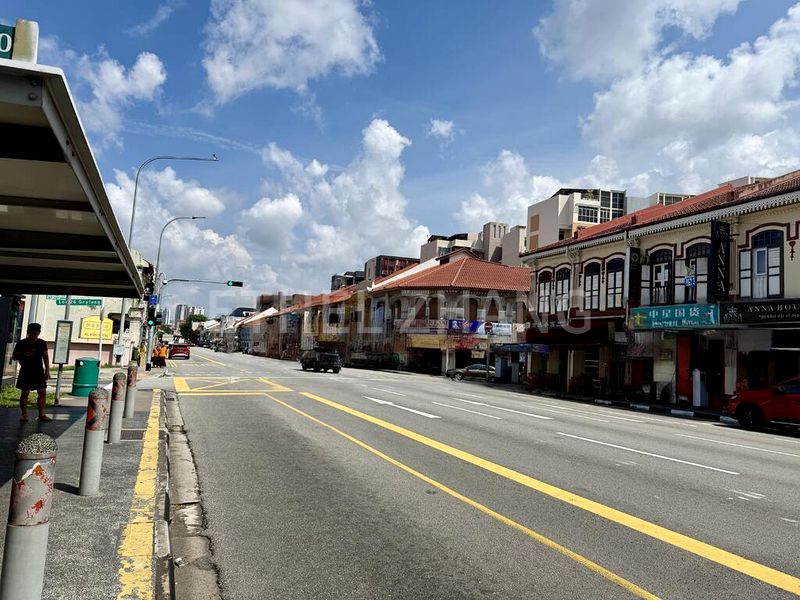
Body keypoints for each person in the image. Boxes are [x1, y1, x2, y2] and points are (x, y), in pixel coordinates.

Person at [12, 323, 52, 422]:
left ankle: (42, 414)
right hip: (26, 370)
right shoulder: (22, 343)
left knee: (42, 391)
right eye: (32, 334)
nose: (34, 336)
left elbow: (45, 357)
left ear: (39, 333)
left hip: (38, 371)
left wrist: (47, 370)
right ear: (28, 333)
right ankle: (24, 414)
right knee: (25, 392)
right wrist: (23, 354)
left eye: (36, 334)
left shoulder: (41, 343)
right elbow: (14, 357)